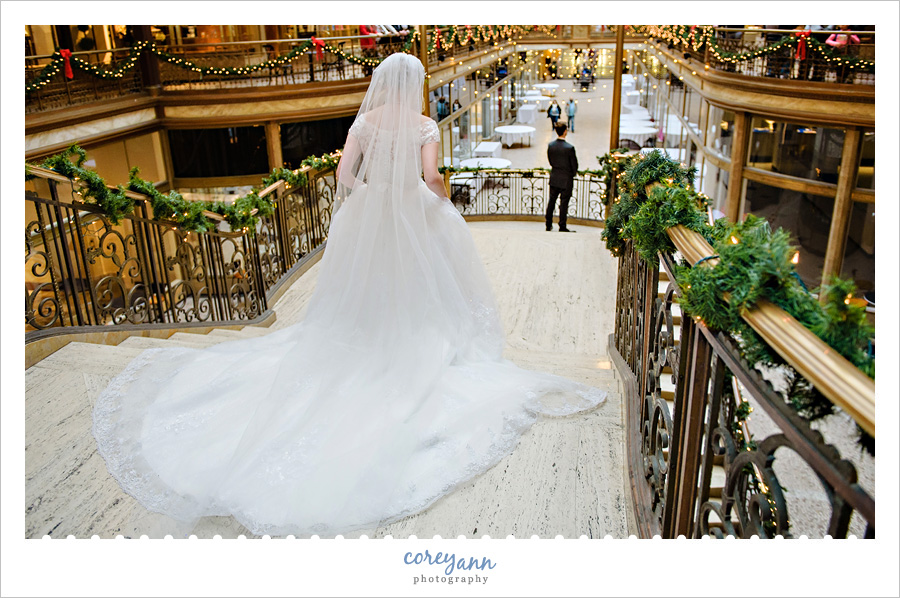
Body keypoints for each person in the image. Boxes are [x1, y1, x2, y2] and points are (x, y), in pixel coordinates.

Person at [91, 53, 605, 538]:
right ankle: (406, 339)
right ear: (413, 84)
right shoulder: (423, 126)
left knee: (366, 285)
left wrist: (370, 200)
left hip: (370, 215)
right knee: (418, 283)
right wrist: (438, 201)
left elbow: (344, 174)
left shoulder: (366, 122)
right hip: (412, 215)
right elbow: (430, 177)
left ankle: (368, 334)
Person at [546, 122, 578, 233]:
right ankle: (562, 225)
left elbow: (550, 161)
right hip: (566, 179)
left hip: (554, 177)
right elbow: (574, 165)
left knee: (551, 201)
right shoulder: (569, 148)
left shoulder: (551, 146)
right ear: (565, 132)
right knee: (564, 203)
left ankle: (548, 224)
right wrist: (572, 173)